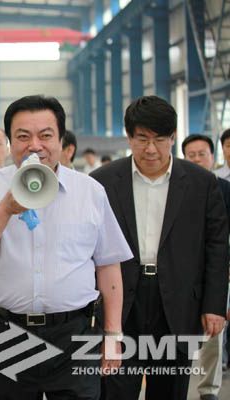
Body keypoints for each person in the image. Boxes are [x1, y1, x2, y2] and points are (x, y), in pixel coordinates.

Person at [0, 95, 132, 399]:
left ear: (61, 141)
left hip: (74, 333)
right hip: (7, 333)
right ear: (10, 142)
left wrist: (113, 334)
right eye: (23, 136)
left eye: (45, 135)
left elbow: (108, 264)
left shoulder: (89, 192)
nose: (34, 145)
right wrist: (5, 209)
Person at [91, 96, 229, 400]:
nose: (150, 149)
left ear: (173, 137)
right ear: (129, 137)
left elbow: (217, 246)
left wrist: (214, 305)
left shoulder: (201, 183)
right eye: (142, 139)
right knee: (115, 388)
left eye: (159, 139)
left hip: (178, 302)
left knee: (170, 388)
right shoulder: (103, 182)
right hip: (121, 299)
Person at [181, 134, 230, 400]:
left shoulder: (224, 189)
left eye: (202, 154)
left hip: (215, 271)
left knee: (213, 332)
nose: (197, 159)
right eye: (191, 155)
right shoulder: (177, 189)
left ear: (213, 157)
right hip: (182, 273)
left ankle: (209, 389)